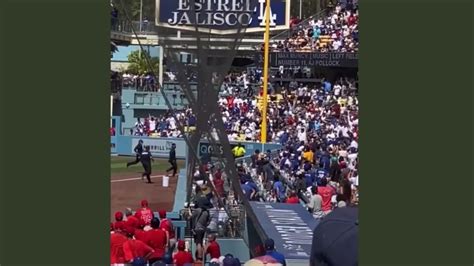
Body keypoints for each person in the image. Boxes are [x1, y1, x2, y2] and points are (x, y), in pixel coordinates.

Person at [191, 197, 212, 262]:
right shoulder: (207, 212)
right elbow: (208, 221)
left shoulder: (198, 210)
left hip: (197, 229)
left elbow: (191, 217)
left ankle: (199, 257)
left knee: (198, 243)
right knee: (201, 242)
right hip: (203, 229)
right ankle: (203, 256)